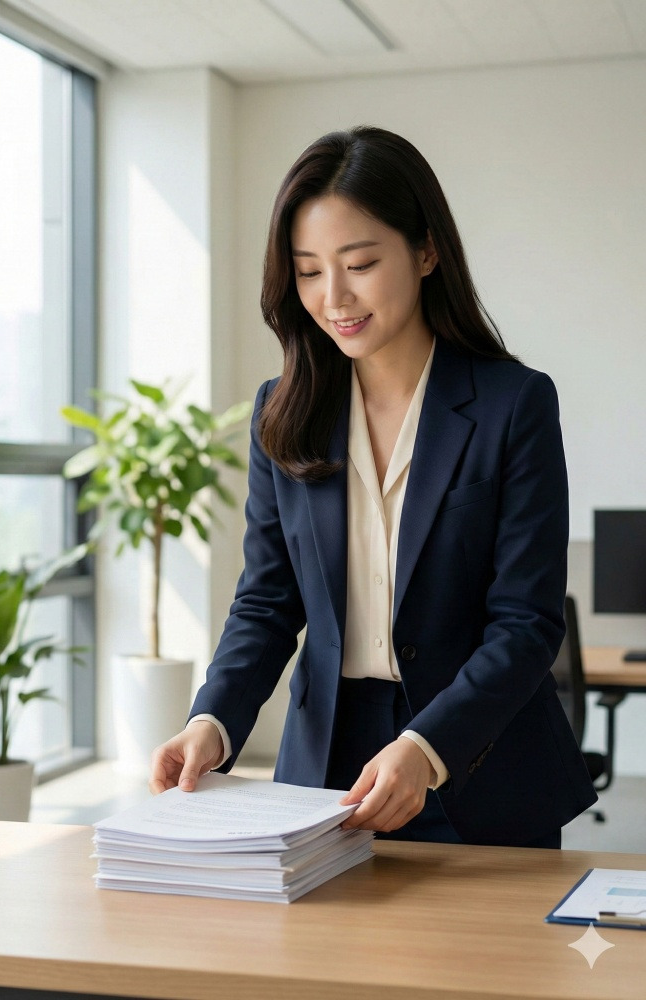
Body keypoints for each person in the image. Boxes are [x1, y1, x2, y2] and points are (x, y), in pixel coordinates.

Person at [148, 126, 597, 848]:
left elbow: (525, 622)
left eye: (358, 263)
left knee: (479, 961)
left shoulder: (514, 404)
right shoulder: (283, 409)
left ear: (425, 251)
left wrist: (427, 749)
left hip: (474, 757)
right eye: (308, 271)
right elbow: (267, 601)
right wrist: (213, 719)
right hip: (323, 760)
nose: (334, 298)